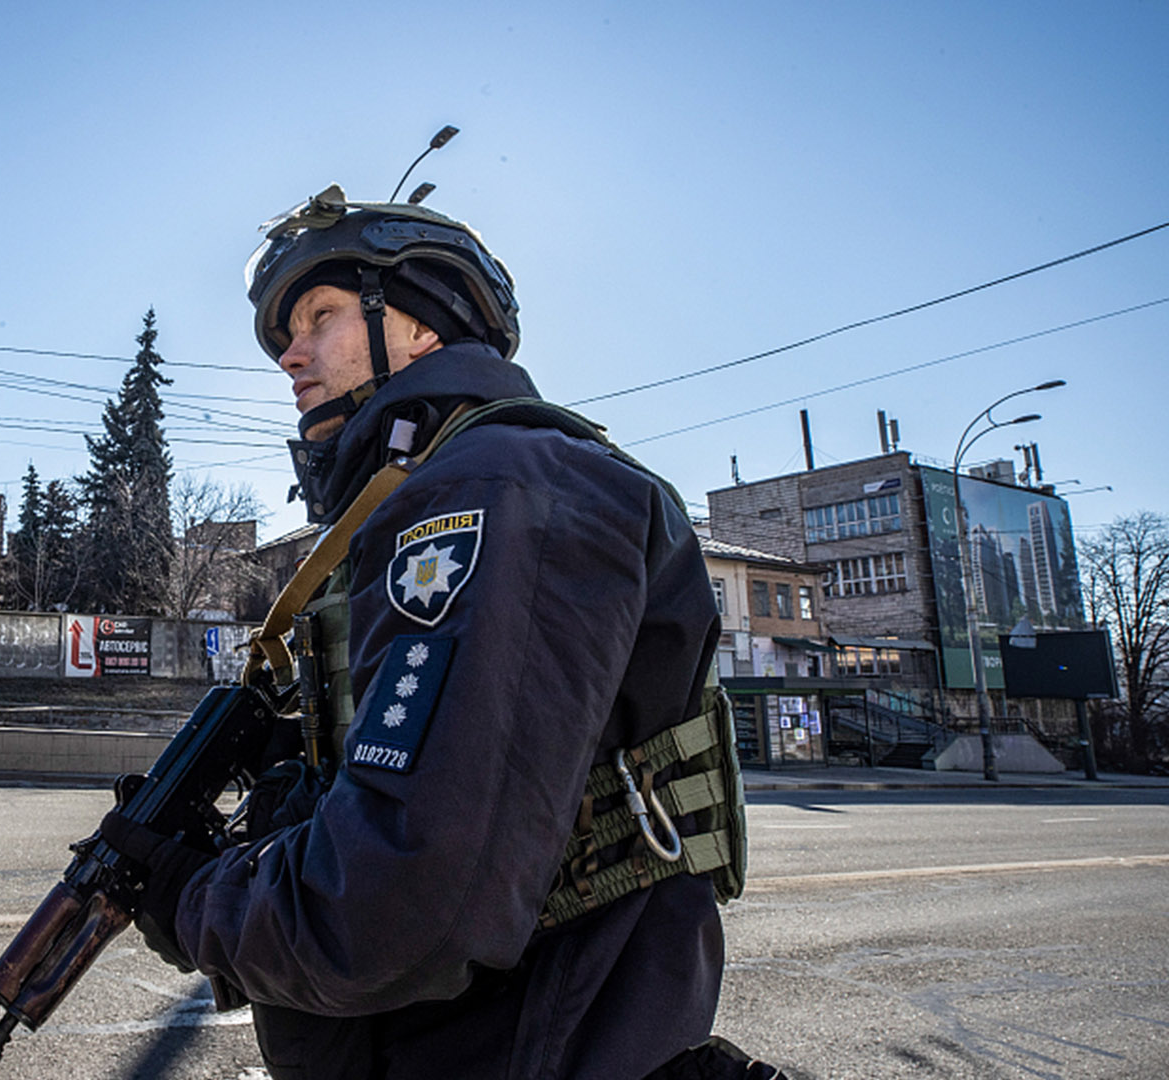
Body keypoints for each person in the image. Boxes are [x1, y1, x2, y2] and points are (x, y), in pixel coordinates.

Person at [100, 185, 765, 1079]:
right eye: (289, 333)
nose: (290, 355)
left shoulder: (490, 487)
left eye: (322, 316)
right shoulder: (435, 491)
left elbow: (397, 905)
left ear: (422, 328)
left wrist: (194, 901)